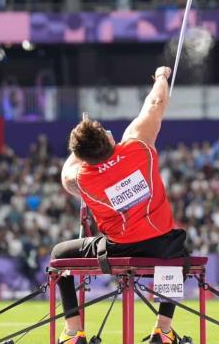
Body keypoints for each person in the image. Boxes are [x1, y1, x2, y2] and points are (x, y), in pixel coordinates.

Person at [53, 66, 186, 344]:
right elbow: (155, 103)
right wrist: (161, 76)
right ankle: (163, 330)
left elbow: (67, 173)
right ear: (108, 138)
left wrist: (79, 152)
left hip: (116, 248)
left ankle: (73, 332)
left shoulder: (81, 178)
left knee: (59, 256)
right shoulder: (138, 146)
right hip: (161, 245)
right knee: (178, 256)